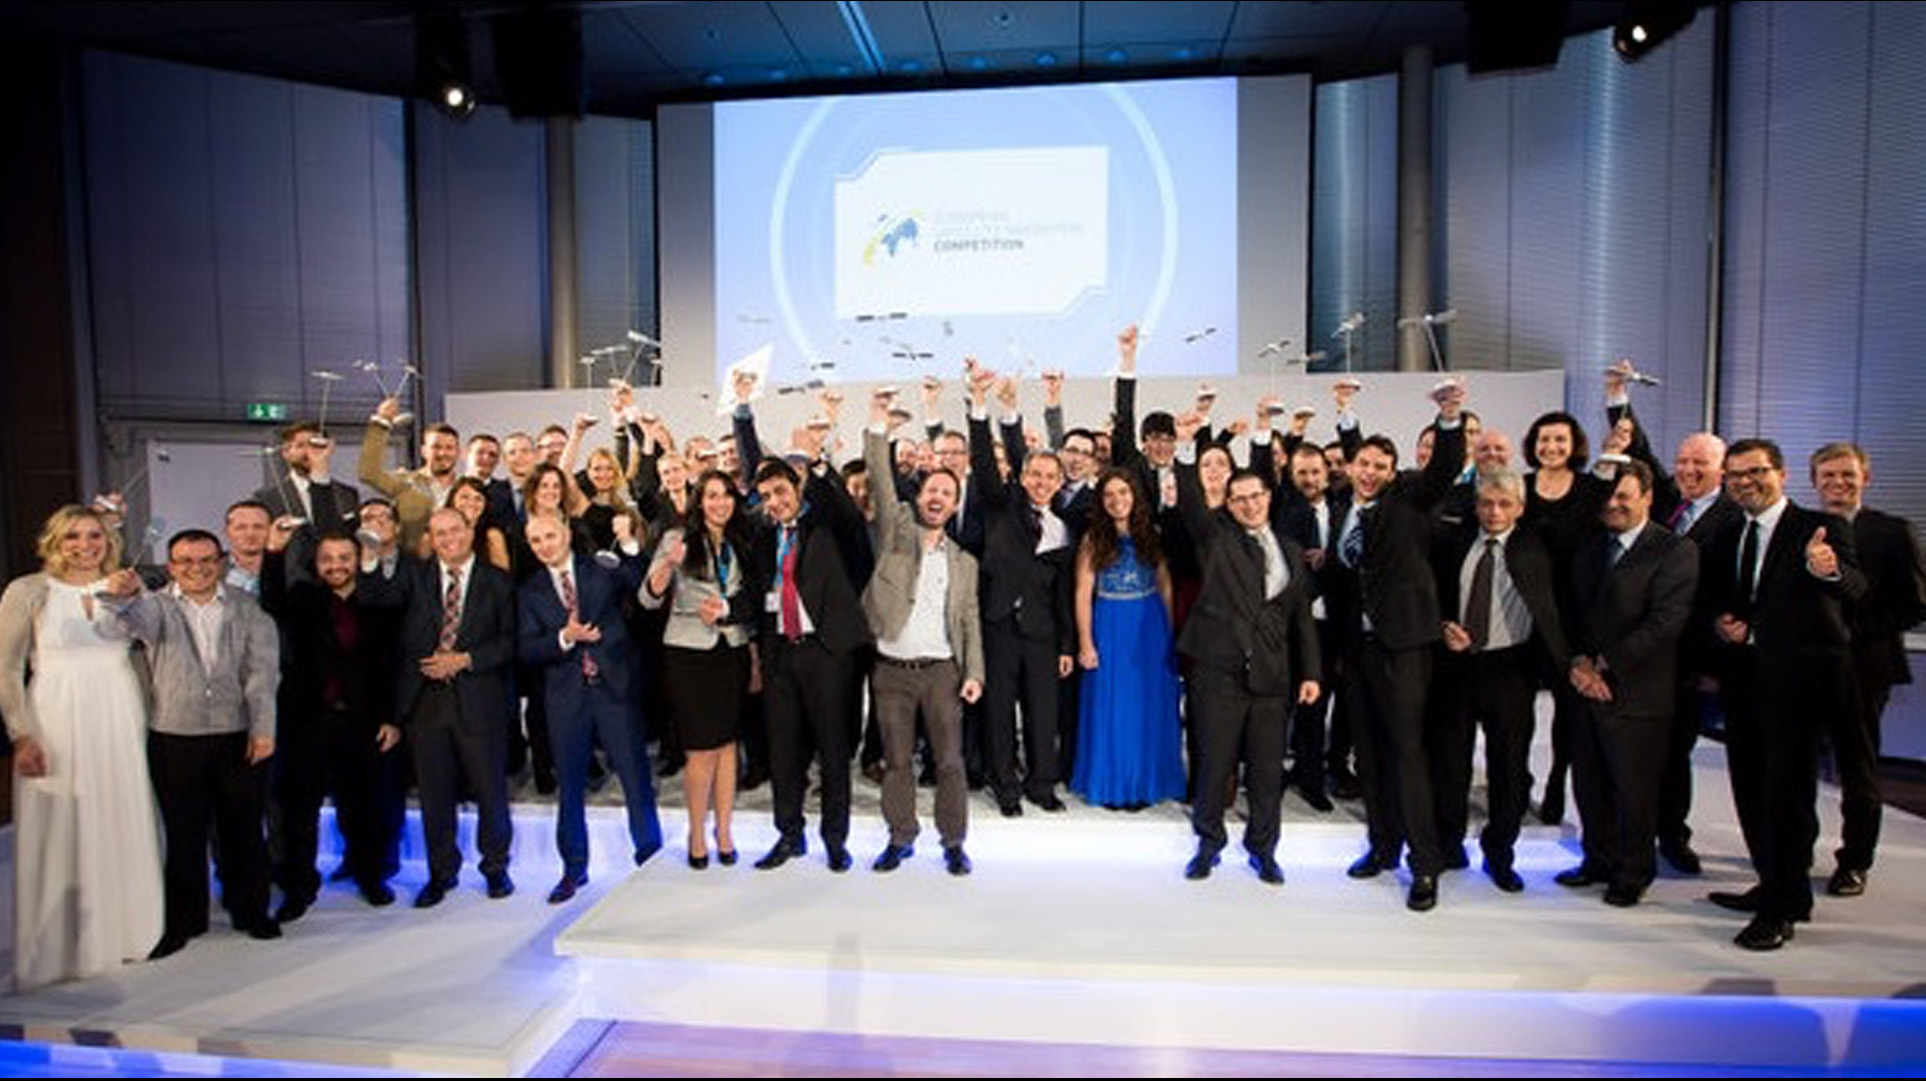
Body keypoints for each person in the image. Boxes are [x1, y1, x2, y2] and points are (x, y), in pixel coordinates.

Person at [1704, 439, 1862, 950]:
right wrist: (1723, 622)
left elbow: (1857, 589)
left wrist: (1828, 568)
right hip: (1743, 681)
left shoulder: (1820, 528)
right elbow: (1723, 595)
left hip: (1798, 686)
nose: (1745, 482)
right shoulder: (1730, 532)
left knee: (1786, 796)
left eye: (1756, 472)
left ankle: (1783, 907)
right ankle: (1773, 882)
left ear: (1782, 473)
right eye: (1735, 475)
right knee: (1751, 789)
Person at [0, 505, 164, 988]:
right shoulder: (27, 591)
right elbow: (7, 668)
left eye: (94, 535)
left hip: (117, 709)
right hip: (55, 713)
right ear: (54, 541)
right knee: (60, 821)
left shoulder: (127, 584)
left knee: (119, 810)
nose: (84, 545)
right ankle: (60, 943)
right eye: (72, 536)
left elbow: (154, 637)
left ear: (108, 540)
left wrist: (132, 599)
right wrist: (21, 733)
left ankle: (127, 933)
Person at [105, 528, 281, 958]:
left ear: (220, 563)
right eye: (186, 561)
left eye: (205, 560)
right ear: (171, 567)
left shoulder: (246, 606)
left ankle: (251, 910)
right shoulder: (155, 606)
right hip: (175, 736)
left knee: (244, 830)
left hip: (237, 734)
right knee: (184, 834)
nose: (197, 569)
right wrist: (123, 596)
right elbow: (126, 623)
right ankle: (184, 920)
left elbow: (262, 672)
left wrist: (263, 728)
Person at [1329, 383, 1465, 911]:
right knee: (1369, 753)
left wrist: (1449, 415)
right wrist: (1345, 413)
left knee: (1408, 754)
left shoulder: (1409, 498)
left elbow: (1444, 468)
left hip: (1404, 646)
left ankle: (1424, 864)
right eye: (1362, 463)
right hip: (1358, 649)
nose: (1369, 472)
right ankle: (1382, 846)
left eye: (1380, 466)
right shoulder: (1343, 506)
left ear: (1393, 472)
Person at [360, 506, 518, 907]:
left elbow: (509, 642)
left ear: (470, 530)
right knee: (435, 796)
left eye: (455, 530)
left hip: (479, 700)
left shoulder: (498, 581)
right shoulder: (414, 576)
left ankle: (495, 868)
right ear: (431, 539)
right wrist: (370, 555)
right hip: (426, 704)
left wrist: (465, 660)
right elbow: (375, 599)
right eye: (440, 534)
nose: (449, 539)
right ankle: (441, 873)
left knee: (490, 791)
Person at [1172, 461, 1321, 883]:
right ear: (1229, 506)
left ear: (1268, 497)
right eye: (1239, 500)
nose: (1250, 505)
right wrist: (1187, 451)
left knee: (1266, 770)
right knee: (1214, 765)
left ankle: (1264, 849)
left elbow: (1301, 619)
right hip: (1219, 673)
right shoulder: (1217, 540)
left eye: (1256, 496)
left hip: (1273, 677)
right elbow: (1191, 505)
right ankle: (1208, 844)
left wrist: (1311, 672)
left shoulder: (1291, 549)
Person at [1558, 461, 1698, 907]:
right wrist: (1579, 663)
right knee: (1590, 783)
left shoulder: (1674, 550)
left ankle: (1632, 871)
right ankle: (1597, 860)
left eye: (1624, 496)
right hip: (1585, 686)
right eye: (1609, 496)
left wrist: (1604, 666)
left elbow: (1665, 623)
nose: (1614, 504)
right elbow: (1570, 610)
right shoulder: (1589, 547)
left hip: (1638, 692)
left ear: (1647, 497)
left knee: (1634, 790)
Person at [860, 396, 985, 874]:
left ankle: (953, 842)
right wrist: (878, 425)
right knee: (896, 762)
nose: (937, 497)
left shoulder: (965, 562)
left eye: (946, 494)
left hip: (941, 674)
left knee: (950, 762)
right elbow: (879, 476)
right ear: (920, 496)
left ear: (954, 505)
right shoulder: (896, 533)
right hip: (891, 671)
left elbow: (970, 620)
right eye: (932, 489)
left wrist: (974, 673)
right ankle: (900, 837)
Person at [1428, 469, 1568, 893]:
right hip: (1456, 668)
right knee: (1449, 764)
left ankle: (1500, 852)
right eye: (1487, 503)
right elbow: (1433, 593)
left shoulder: (1537, 546)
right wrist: (1442, 626)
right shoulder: (1454, 543)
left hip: (1511, 669)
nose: (1494, 512)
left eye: (1504, 504)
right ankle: (1448, 844)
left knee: (1508, 767)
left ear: (1520, 508)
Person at [259, 519, 401, 916]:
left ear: (357, 559)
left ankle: (371, 877)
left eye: (344, 557)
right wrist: (274, 552)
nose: (336, 565)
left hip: (363, 721)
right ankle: (298, 889)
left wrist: (392, 718)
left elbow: (390, 666)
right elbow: (271, 600)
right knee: (299, 812)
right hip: (307, 721)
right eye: (327, 559)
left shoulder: (378, 602)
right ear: (316, 563)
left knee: (364, 807)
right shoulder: (303, 598)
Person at [518, 512, 662, 903]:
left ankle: (650, 860)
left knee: (635, 778)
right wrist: (564, 637)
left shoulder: (599, 566)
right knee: (570, 785)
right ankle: (573, 869)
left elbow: (639, 582)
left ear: (566, 533)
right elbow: (526, 648)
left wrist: (629, 544)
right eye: (536, 540)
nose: (545, 545)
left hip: (614, 690)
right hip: (566, 699)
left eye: (550, 535)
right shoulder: (529, 590)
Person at [743, 448, 872, 873]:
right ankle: (789, 834)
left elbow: (848, 516)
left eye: (780, 491)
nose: (774, 502)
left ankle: (835, 840)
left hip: (826, 652)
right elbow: (756, 592)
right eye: (766, 496)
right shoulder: (763, 536)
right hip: (780, 653)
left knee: (833, 750)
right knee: (783, 752)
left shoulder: (826, 525)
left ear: (798, 488)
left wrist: (817, 464)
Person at [1806, 442, 1924, 898]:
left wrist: (1852, 633)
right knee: (1795, 768)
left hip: (1865, 669)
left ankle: (1855, 861)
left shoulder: (1893, 531)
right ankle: (1794, 852)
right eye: (1828, 476)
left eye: (1847, 475)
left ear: (1865, 479)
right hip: (1807, 669)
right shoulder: (1803, 530)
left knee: (1858, 770)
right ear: (1815, 482)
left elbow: (1914, 606)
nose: (1838, 483)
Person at [642, 470, 763, 868]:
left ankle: (723, 831)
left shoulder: (742, 539)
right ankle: (696, 832)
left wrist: (751, 651)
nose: (719, 503)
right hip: (689, 654)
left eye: (726, 495)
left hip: (733, 650)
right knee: (700, 750)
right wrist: (668, 564)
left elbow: (753, 597)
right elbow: (647, 597)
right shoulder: (676, 539)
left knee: (728, 745)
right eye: (711, 495)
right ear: (699, 501)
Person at [970, 371, 1074, 816]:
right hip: (998, 626)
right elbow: (988, 457)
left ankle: (1041, 784)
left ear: (1060, 482)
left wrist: (1066, 644)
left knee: (1042, 712)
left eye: (1050, 476)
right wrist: (990, 407)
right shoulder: (1002, 506)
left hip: (1042, 633)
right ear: (1023, 477)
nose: (1042, 482)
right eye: (1035, 474)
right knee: (998, 713)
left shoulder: (1064, 527)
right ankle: (1005, 786)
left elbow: (1064, 593)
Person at [1072, 468, 1185, 811]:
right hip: (1109, 625)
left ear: (1134, 496)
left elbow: (1165, 586)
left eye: (1123, 492)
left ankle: (1145, 783)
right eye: (1109, 495)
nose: (1117, 500)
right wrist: (1086, 643)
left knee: (1147, 707)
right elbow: (1082, 593)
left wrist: (1170, 634)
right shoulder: (1093, 539)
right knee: (1111, 708)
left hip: (1149, 627)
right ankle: (1113, 785)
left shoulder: (1153, 534)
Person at [360, 398, 461, 554]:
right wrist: (381, 423)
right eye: (436, 447)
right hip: (412, 563)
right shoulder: (405, 481)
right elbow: (369, 473)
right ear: (424, 451)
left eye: (449, 448)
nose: (442, 453)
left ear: (458, 452)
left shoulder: (467, 489)